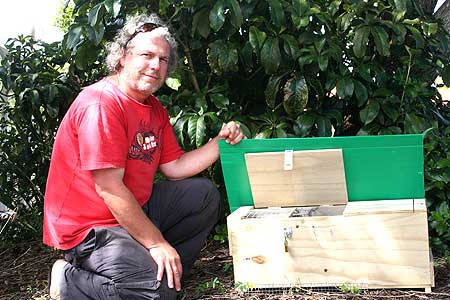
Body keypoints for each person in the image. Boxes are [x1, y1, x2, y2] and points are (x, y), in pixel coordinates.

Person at [43, 13, 244, 300]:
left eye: (163, 59)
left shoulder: (153, 108)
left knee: (202, 195)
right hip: (90, 228)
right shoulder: (100, 104)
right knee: (156, 292)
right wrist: (156, 242)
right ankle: (69, 279)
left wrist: (219, 142)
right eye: (147, 55)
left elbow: (174, 167)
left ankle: (167, 275)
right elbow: (109, 188)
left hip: (134, 209)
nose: (155, 65)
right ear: (123, 57)